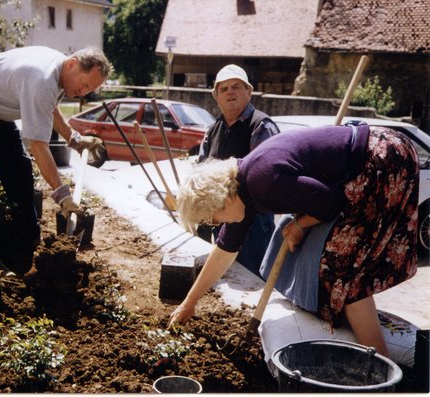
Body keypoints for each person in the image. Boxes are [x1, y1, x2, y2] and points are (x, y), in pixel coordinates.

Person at [170, 123, 419, 357]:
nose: (218, 225)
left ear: (224, 199)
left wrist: (299, 224)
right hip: (373, 157)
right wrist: (189, 302)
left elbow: (331, 202)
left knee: (343, 271)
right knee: (323, 257)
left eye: (214, 219)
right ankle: (349, 323)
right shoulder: (243, 187)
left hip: (384, 159)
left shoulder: (263, 180)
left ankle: (378, 365)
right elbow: (224, 250)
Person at [0, 46, 112, 276]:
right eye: (85, 84)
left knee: (19, 169)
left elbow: (49, 109)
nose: (83, 92)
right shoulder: (42, 78)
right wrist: (63, 196)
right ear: (73, 64)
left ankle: (26, 244)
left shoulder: (59, 73)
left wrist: (74, 139)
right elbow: (39, 147)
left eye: (90, 89)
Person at [197, 64, 280, 277]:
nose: (230, 92)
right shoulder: (214, 130)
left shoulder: (260, 126)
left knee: (251, 280)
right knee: (229, 278)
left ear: (249, 91)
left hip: (253, 224)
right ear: (216, 96)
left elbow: (265, 180)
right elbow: (201, 174)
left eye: (236, 86)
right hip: (222, 219)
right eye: (223, 89)